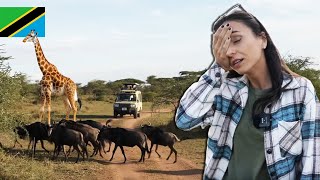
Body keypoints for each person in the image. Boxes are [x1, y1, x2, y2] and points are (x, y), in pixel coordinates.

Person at [175, 3, 320, 180]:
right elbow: (184, 120)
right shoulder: (225, 91)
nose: (229, 51)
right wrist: (218, 67)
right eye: (222, 46)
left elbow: (312, 163)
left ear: (263, 39)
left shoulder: (300, 91)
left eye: (236, 40)